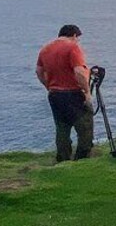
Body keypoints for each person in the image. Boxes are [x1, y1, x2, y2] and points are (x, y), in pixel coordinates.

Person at [36, 24, 94, 162]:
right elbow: (79, 72)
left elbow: (39, 71)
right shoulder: (72, 47)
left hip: (55, 94)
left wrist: (48, 86)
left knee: (62, 127)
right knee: (85, 127)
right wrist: (87, 92)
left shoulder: (45, 49)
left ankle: (63, 159)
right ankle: (82, 159)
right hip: (73, 93)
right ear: (74, 35)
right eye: (77, 38)